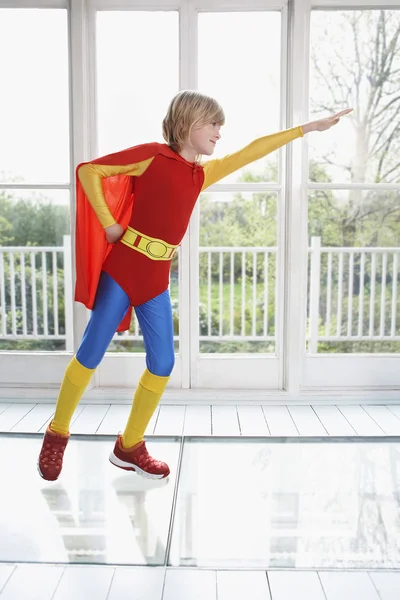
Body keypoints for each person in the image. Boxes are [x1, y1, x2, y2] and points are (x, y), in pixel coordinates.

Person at [38, 90, 352, 482]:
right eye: (214, 124)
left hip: (156, 279)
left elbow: (252, 151)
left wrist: (307, 128)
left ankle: (129, 446)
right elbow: (89, 171)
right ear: (189, 122)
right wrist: (109, 225)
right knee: (90, 353)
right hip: (123, 268)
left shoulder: (201, 173)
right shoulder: (153, 155)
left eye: (221, 126)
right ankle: (57, 433)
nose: (220, 133)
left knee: (164, 364)